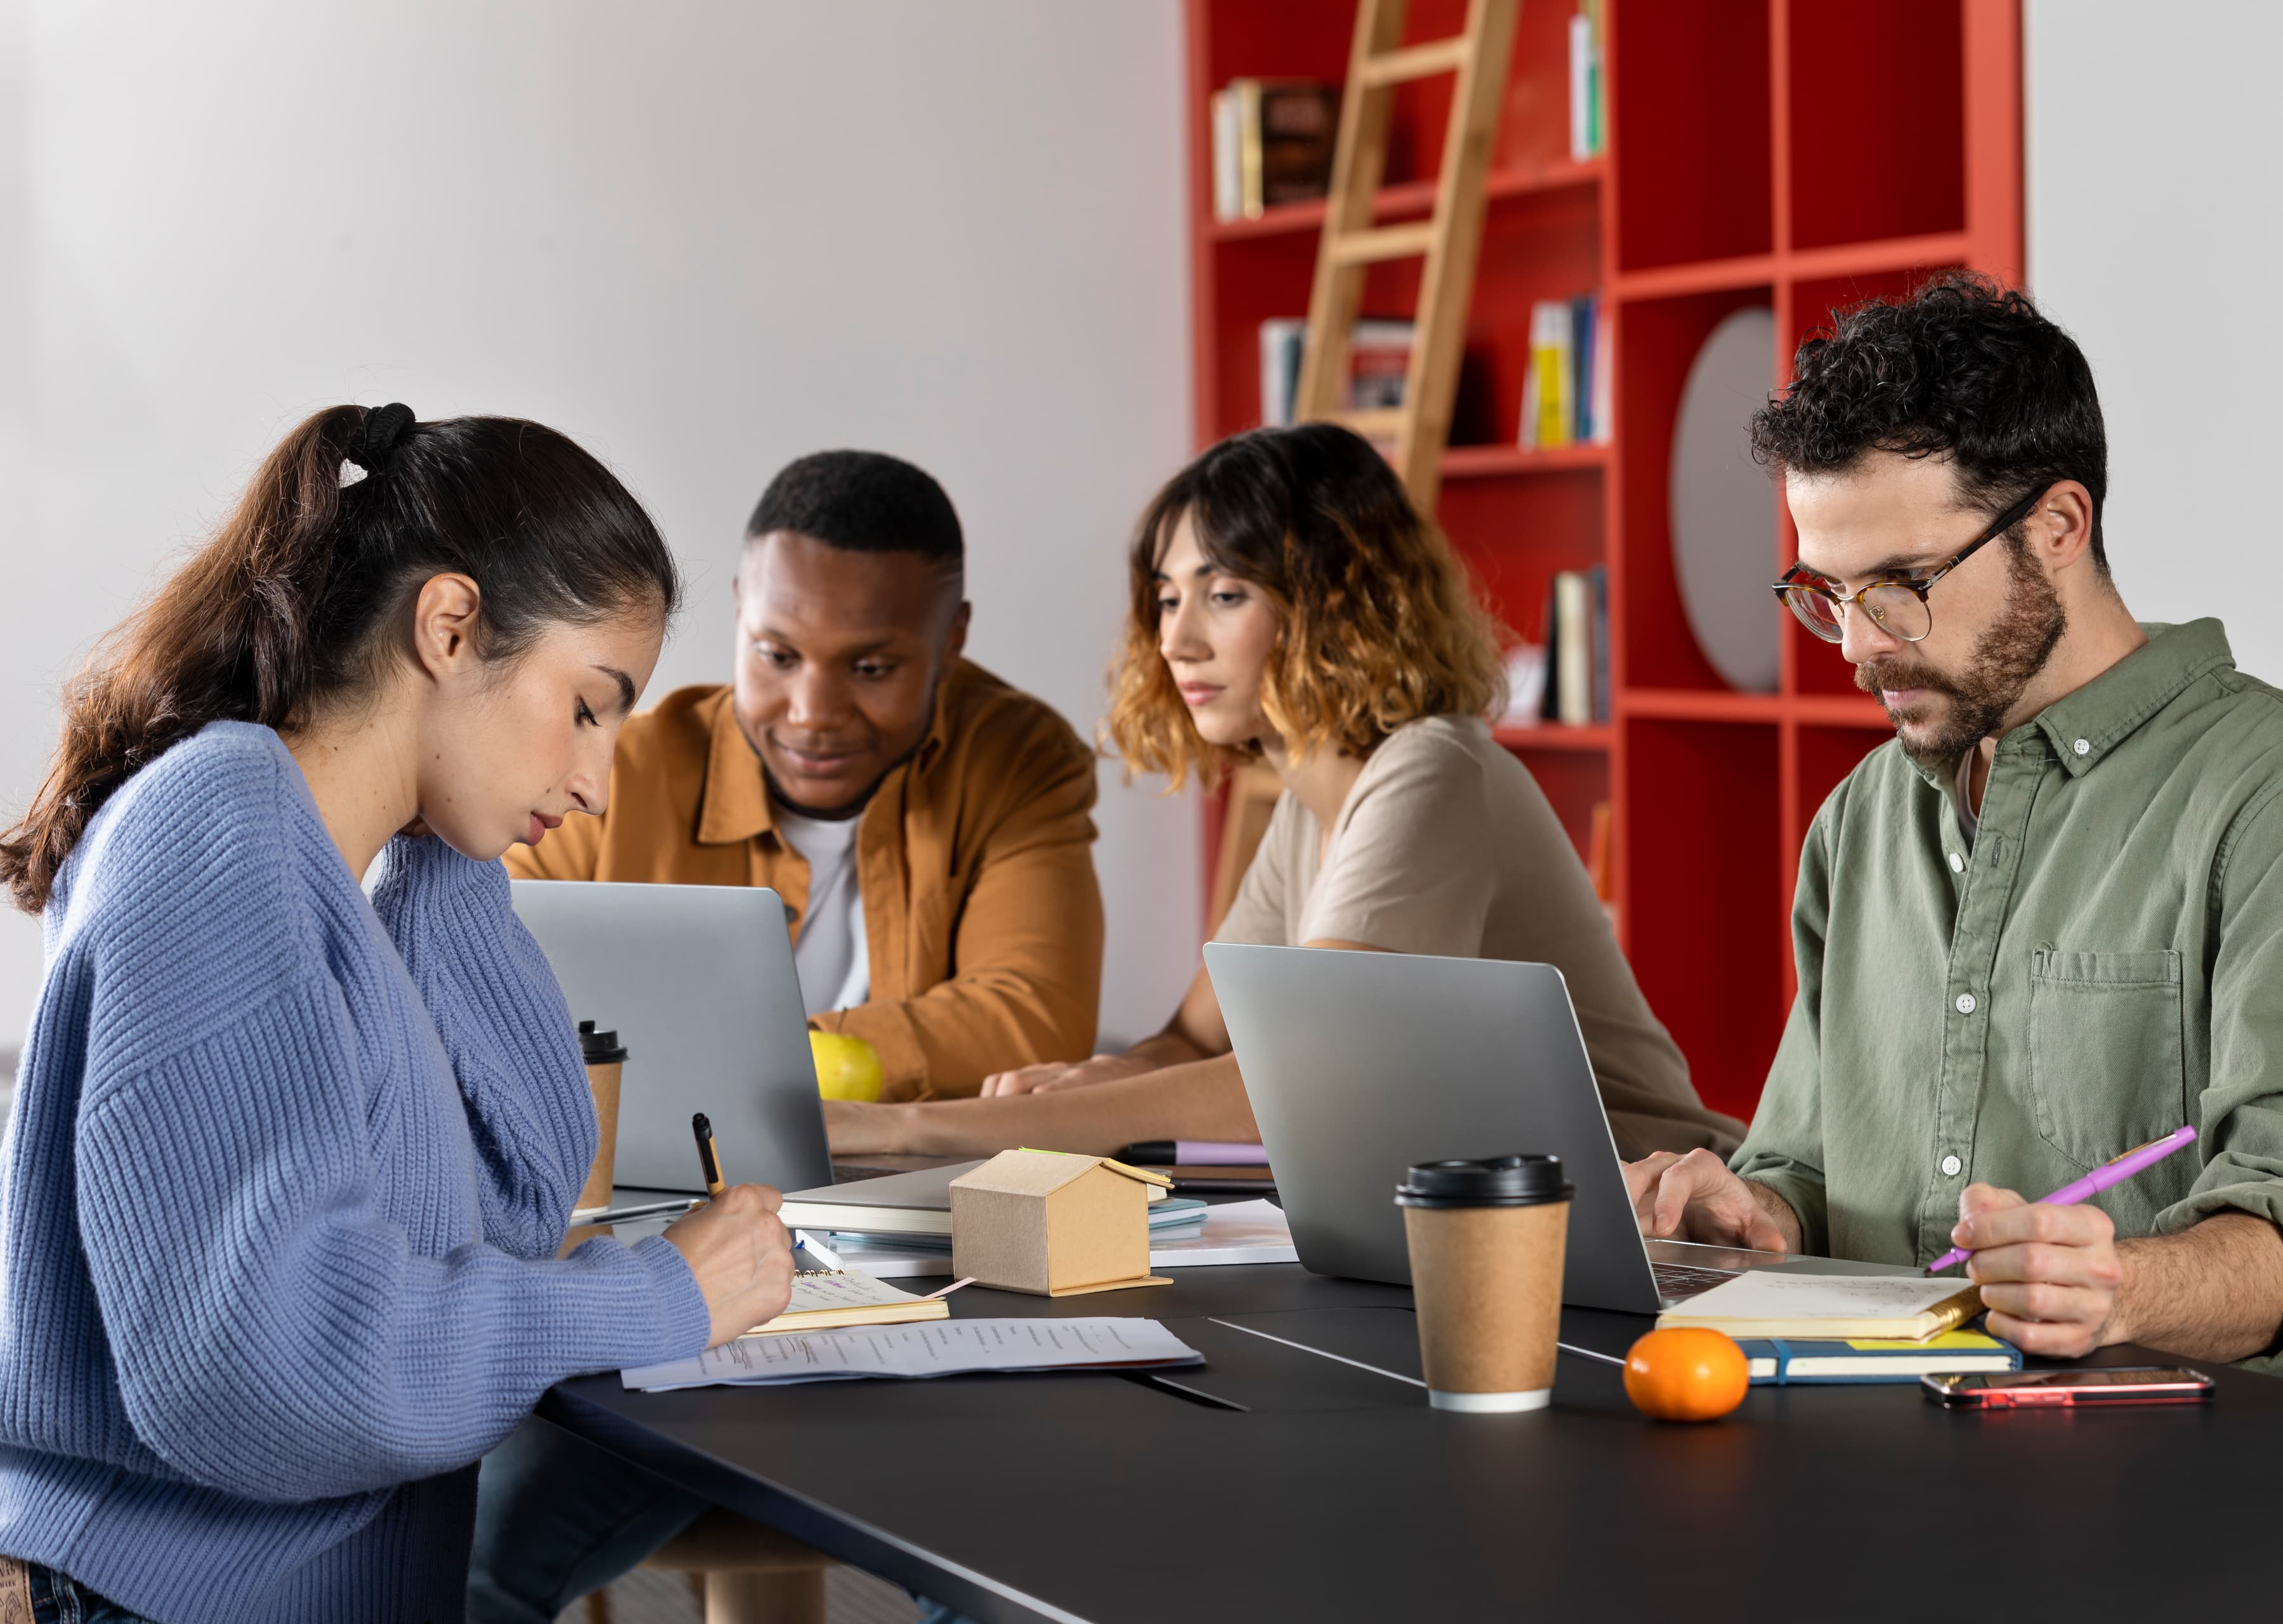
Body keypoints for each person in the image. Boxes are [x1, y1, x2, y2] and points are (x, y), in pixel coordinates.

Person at [0, 404, 795, 1623]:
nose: (593, 780)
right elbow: (275, 1363)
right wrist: (658, 1295)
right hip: (139, 1597)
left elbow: (512, 1212)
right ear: (450, 624)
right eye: (587, 708)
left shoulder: (342, 873)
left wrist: (448, 856)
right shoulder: (221, 829)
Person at [1629, 273, 2283, 1406]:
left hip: (2277, 1485)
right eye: (1829, 592)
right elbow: (1808, 1164)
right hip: (1961, 1467)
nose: (1858, 647)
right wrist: (1754, 1213)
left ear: (2060, 525)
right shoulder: (1864, 818)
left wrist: (2124, 1289)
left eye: (1903, 586)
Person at [823, 422, 1743, 1161]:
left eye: (1222, 594)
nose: (1176, 638)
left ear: (1334, 601)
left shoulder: (1430, 771)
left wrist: (918, 1128)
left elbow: (1299, 1087)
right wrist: (1090, 1081)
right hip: (1491, 1220)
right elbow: (1193, 1042)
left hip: (1661, 1220)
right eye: (1166, 596)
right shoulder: (1312, 807)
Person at [506, 449, 1102, 1100]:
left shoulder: (1018, 759)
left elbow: (1037, 1016)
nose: (812, 714)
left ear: (952, 640)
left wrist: (762, 1056)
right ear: (741, 611)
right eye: (777, 655)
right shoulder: (618, 768)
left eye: (871, 668)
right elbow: (480, 968)